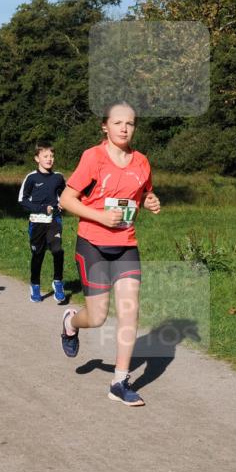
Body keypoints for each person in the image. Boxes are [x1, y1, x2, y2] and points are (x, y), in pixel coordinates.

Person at [58, 102, 161, 406]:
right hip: (93, 244)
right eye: (117, 123)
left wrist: (151, 201)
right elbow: (66, 199)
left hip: (126, 244)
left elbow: (143, 193)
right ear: (105, 126)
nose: (124, 128)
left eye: (129, 123)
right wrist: (100, 216)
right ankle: (70, 323)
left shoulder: (141, 161)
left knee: (130, 311)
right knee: (98, 316)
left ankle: (119, 381)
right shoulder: (94, 157)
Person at [18, 142, 67, 303]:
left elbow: (66, 196)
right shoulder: (31, 178)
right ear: (37, 158)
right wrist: (41, 208)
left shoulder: (58, 177)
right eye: (45, 156)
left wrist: (63, 203)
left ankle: (58, 282)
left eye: (52, 156)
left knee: (58, 250)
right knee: (38, 255)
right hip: (36, 222)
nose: (49, 159)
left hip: (54, 220)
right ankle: (35, 285)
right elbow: (22, 200)